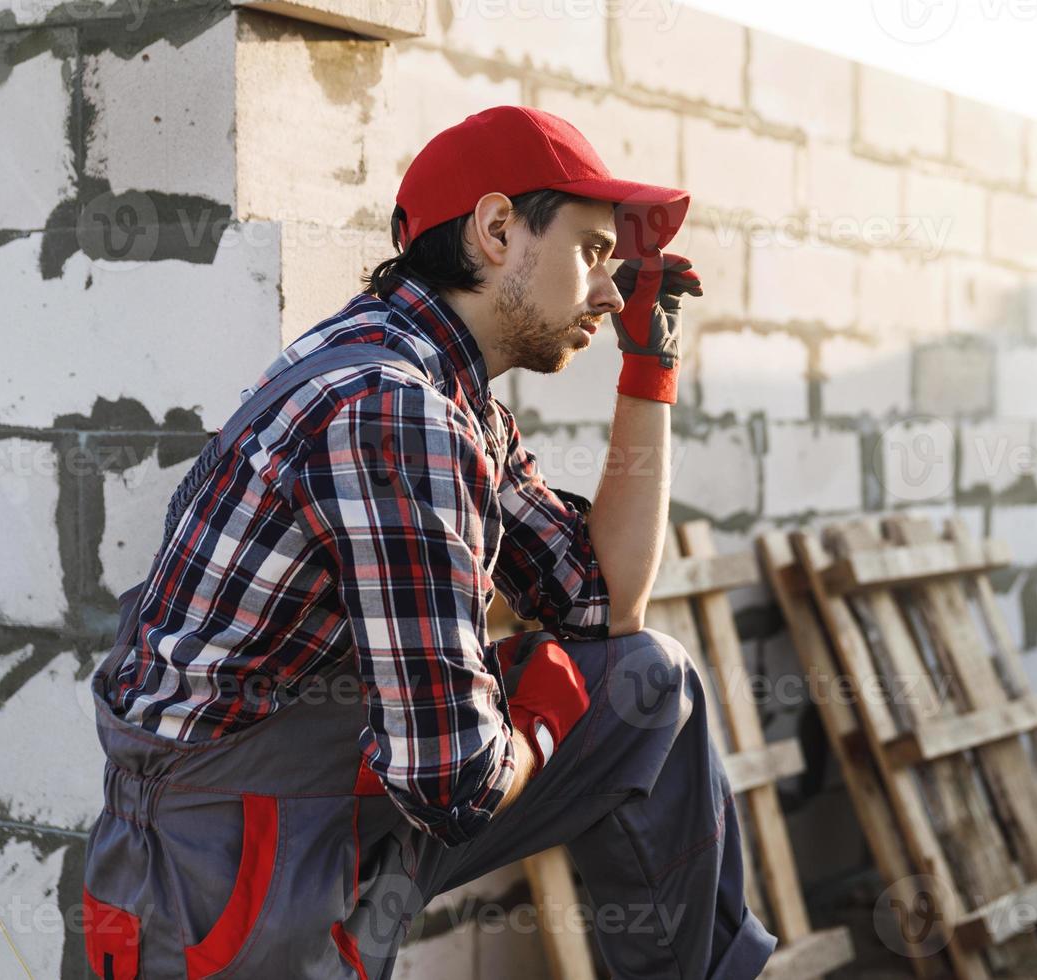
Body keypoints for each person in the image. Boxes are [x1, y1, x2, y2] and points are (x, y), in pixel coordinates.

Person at [79, 105, 778, 980]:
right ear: (495, 229)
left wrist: (650, 371)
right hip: (224, 858)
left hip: (330, 788)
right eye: (595, 251)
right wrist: (546, 721)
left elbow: (606, 605)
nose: (612, 289)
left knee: (646, 684)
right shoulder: (391, 404)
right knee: (587, 701)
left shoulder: (447, 391)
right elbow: (454, 778)